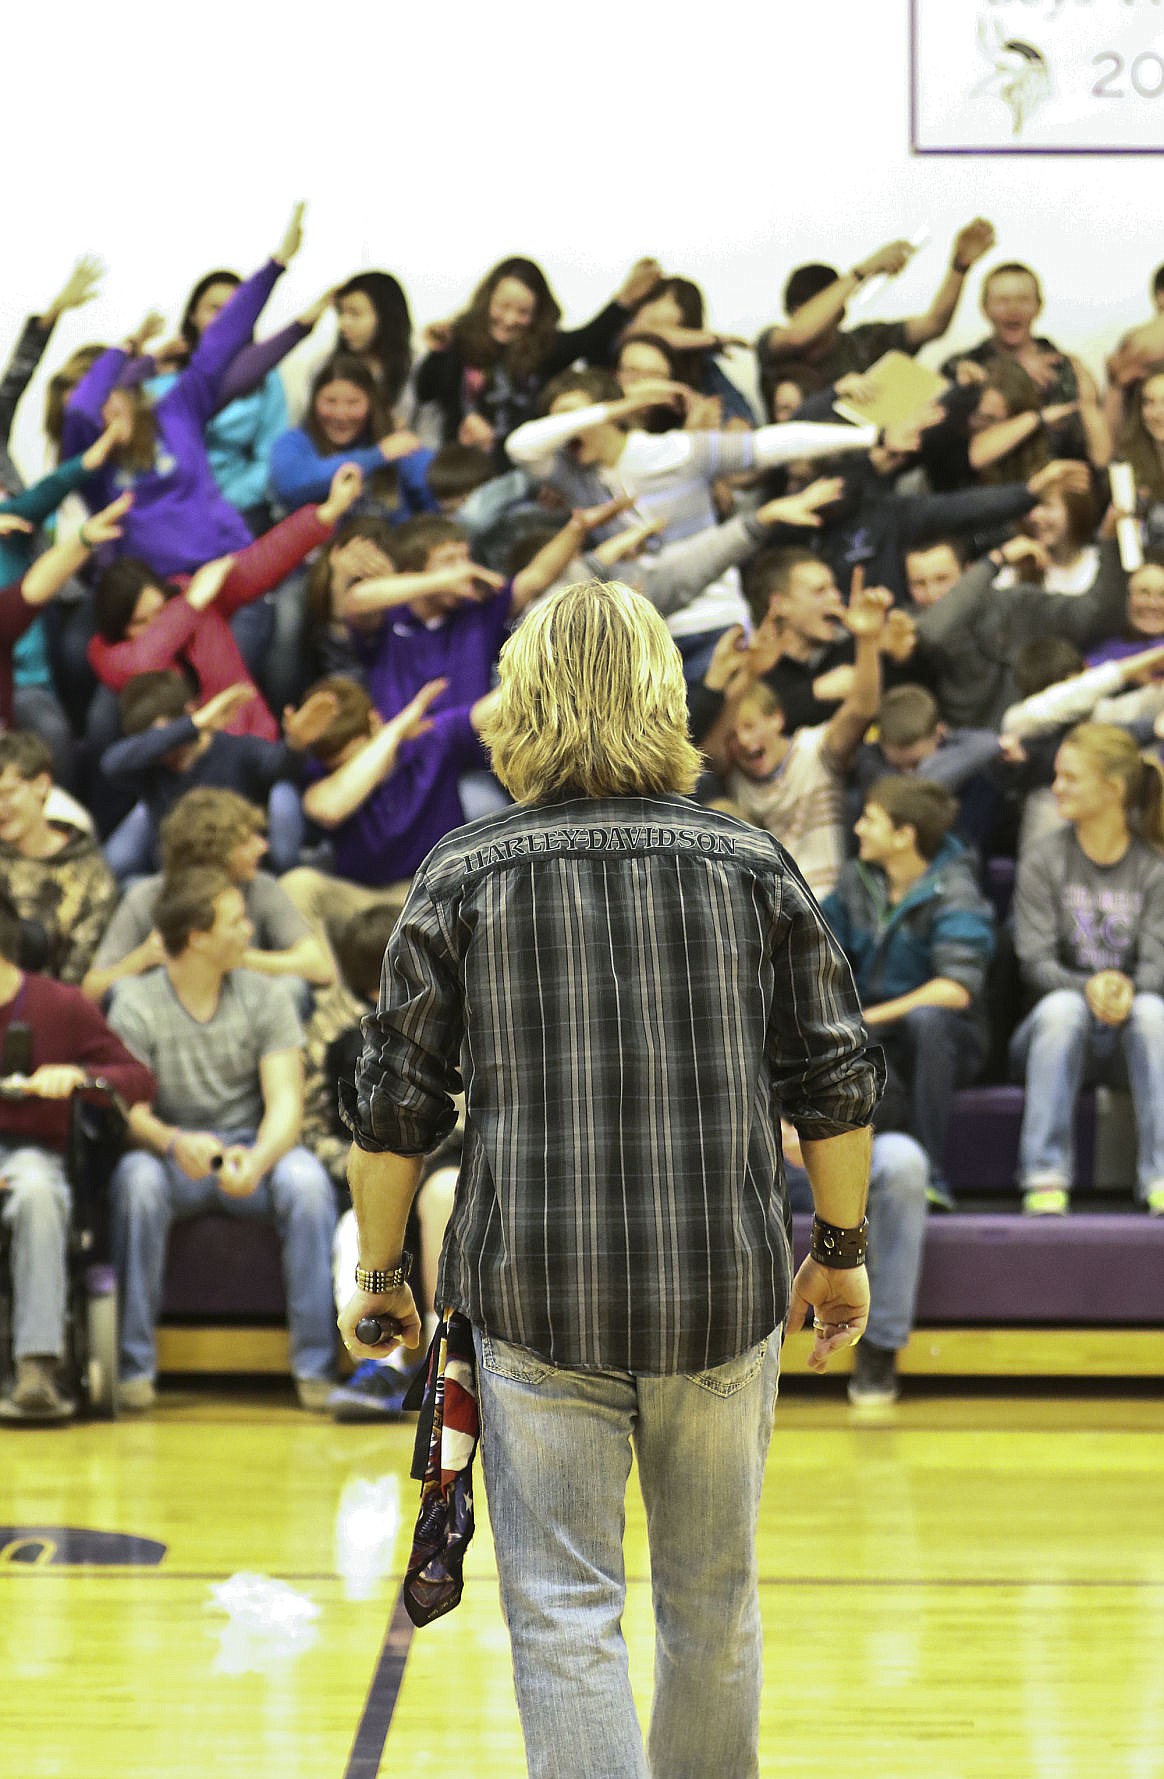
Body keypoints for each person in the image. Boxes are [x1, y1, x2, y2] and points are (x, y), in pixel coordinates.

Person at [338, 577, 883, 1779]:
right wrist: (838, 1253)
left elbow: (394, 1105)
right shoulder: (749, 857)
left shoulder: (464, 870)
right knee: (714, 1608)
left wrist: (381, 1272)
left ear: (519, 701)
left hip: (536, 1293)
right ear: (664, 696)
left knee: (565, 1614)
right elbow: (837, 1076)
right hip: (721, 1289)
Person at [108, 868, 337, 1409]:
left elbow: (286, 1102)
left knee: (306, 1183)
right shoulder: (135, 1005)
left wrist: (258, 1160)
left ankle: (316, 1370)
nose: (250, 931)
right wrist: (171, 1142)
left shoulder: (267, 997)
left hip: (248, 1149)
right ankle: (133, 1370)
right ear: (197, 937)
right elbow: (128, 1109)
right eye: (235, 922)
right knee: (133, 1182)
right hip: (170, 1155)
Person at [60, 207, 309, 576]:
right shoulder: (97, 455)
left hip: (225, 542)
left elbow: (225, 352)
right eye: (213, 308)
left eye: (231, 309)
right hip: (151, 579)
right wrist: (131, 349)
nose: (112, 411)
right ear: (193, 313)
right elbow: (85, 408)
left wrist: (277, 268)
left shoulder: (180, 403)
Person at [0, 894, 156, 1421]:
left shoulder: (58, 1005)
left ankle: (37, 1367)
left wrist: (83, 1079)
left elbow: (136, 1077)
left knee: (39, 1194)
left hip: (31, 1154)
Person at [1010, 723, 1164, 1215]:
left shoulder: (1154, 867)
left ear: (1113, 789)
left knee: (1154, 1013)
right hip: (1052, 1040)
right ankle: (1045, 1175)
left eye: (1070, 777)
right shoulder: (1043, 858)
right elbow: (1033, 962)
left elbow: (1158, 966)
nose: (1057, 788)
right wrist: (1091, 986)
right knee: (1061, 1009)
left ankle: (1159, 1175)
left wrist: (1126, 988)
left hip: (1127, 1037)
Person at [822, 777, 996, 1210]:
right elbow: (817, 949)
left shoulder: (955, 888)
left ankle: (931, 1174)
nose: (858, 828)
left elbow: (955, 989)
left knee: (926, 1020)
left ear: (904, 836)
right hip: (879, 1035)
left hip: (950, 1040)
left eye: (870, 820)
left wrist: (869, 1017)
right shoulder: (856, 880)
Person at [82, 786, 332, 1007]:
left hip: (248, 1014)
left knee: (292, 990)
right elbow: (91, 992)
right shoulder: (145, 897)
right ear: (213, 853)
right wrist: (142, 959)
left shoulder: (261, 887)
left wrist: (238, 959)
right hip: (169, 1016)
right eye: (246, 841)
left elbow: (319, 968)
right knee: (123, 992)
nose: (262, 847)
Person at [414, 254, 662, 457]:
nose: (510, 320)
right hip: (462, 460)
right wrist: (438, 351)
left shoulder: (545, 347)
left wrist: (626, 298)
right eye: (502, 306)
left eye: (523, 312)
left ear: (538, 312)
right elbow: (426, 391)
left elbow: (590, 336)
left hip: (523, 463)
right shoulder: (460, 339)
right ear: (487, 301)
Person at [758, 219, 996, 418]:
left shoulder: (863, 342)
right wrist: (863, 271)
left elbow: (933, 325)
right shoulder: (775, 346)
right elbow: (797, 336)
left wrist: (959, 268)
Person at [781, 1123, 928, 1407]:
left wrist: (827, 1135)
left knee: (903, 1160)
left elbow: (893, 1098)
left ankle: (879, 1347)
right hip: (762, 1147)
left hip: (851, 1144)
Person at [0, 731, 117, 986]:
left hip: (48, 1006)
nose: (0, 808)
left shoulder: (90, 873)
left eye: (7, 793)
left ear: (41, 785)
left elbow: (79, 977)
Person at [268, 356, 434, 518]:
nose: (340, 414)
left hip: (391, 542)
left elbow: (437, 488)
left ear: (371, 404)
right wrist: (377, 455)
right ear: (314, 402)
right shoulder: (294, 442)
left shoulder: (394, 443)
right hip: (324, 545)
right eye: (330, 401)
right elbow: (290, 484)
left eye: (353, 403)